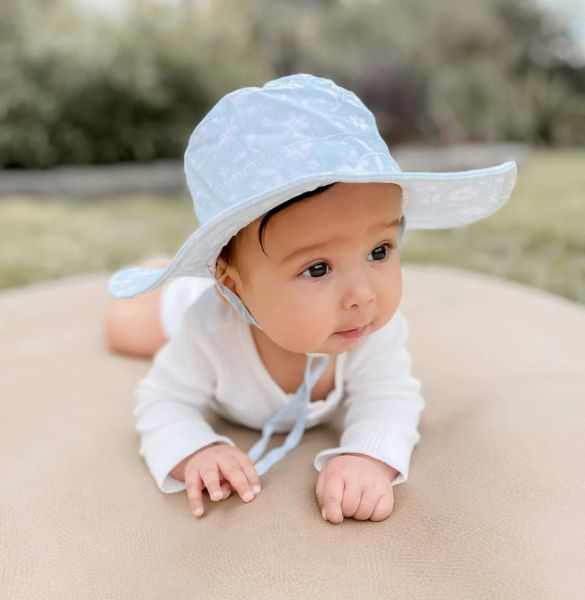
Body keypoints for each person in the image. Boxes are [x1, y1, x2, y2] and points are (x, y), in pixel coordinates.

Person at [105, 73, 517, 524]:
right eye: (317, 268)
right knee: (124, 329)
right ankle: (159, 270)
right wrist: (196, 450)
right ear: (232, 285)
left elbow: (389, 397)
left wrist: (367, 457)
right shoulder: (207, 329)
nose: (361, 295)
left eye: (379, 251)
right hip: (188, 306)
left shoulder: (370, 327)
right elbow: (163, 401)